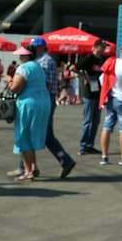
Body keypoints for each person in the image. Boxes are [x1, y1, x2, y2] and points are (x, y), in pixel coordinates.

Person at [28, 36, 76, 178]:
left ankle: (29, 167)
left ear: (41, 47)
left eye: (34, 47)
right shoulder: (39, 60)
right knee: (42, 133)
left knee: (34, 132)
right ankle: (30, 166)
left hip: (43, 98)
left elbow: (47, 84)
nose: (32, 49)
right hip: (44, 98)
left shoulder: (45, 61)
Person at [8, 45, 51, 180]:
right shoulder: (38, 67)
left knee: (23, 137)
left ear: (27, 56)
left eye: (21, 55)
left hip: (28, 104)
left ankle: (28, 172)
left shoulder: (23, 68)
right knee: (32, 136)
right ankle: (33, 167)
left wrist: (8, 81)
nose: (20, 58)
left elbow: (16, 88)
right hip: (43, 102)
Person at [71, 40, 109, 154]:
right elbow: (73, 68)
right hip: (90, 93)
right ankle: (83, 146)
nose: (104, 49)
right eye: (102, 47)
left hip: (99, 93)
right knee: (87, 120)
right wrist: (84, 77)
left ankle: (90, 145)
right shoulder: (89, 58)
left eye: (104, 47)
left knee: (96, 121)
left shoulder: (102, 60)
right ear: (96, 47)